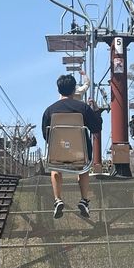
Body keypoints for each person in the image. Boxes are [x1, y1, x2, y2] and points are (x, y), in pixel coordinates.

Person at [42, 74, 103, 219]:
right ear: (74, 89)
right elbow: (96, 128)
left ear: (59, 90)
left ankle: (58, 199)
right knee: (83, 169)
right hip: (80, 154)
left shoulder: (49, 111)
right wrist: (96, 111)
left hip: (58, 152)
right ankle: (83, 199)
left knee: (55, 168)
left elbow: (46, 136)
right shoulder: (83, 108)